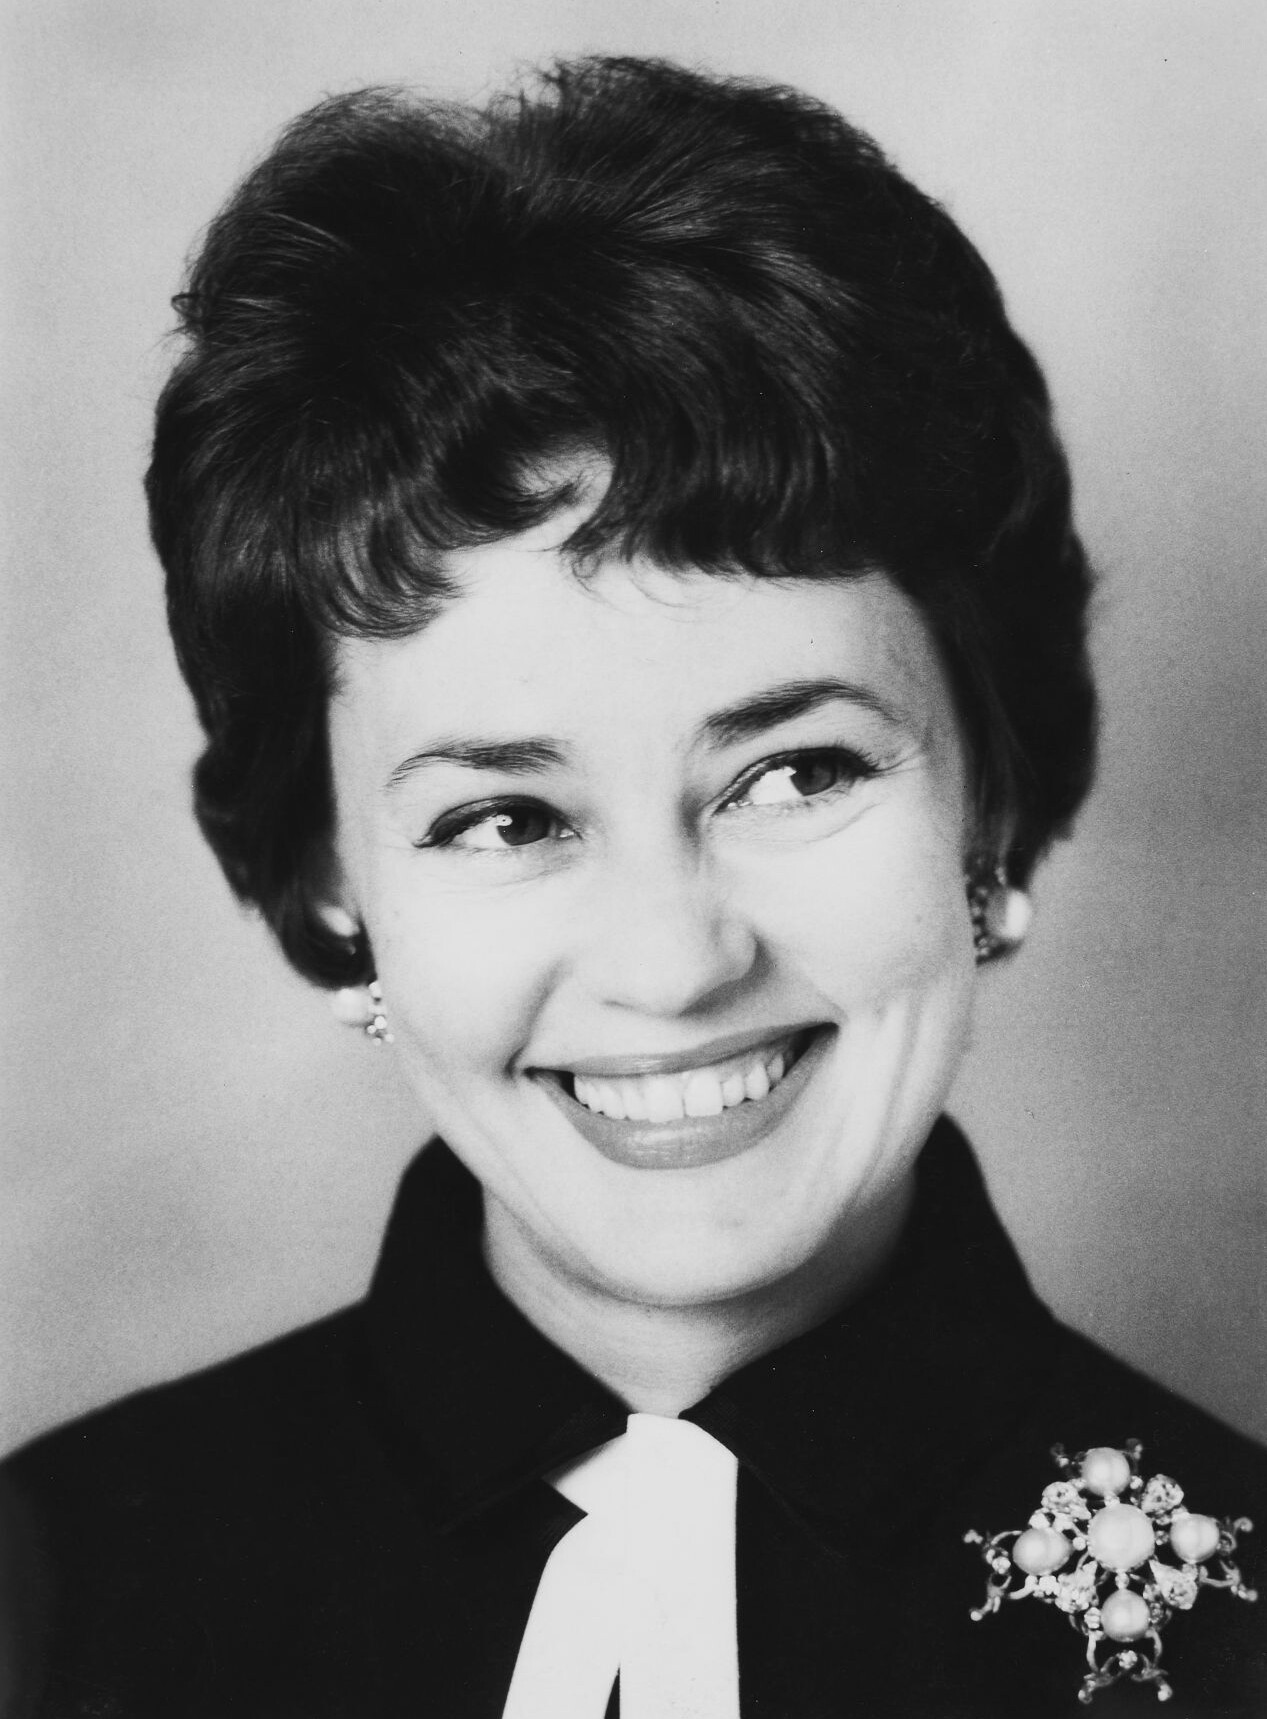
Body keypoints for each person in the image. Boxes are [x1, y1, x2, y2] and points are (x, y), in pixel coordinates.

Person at [2, 54, 1263, 1719]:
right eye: (505, 818)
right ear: (330, 881)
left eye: (796, 773)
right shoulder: (54, 1601)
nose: (672, 963)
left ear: (995, 801)